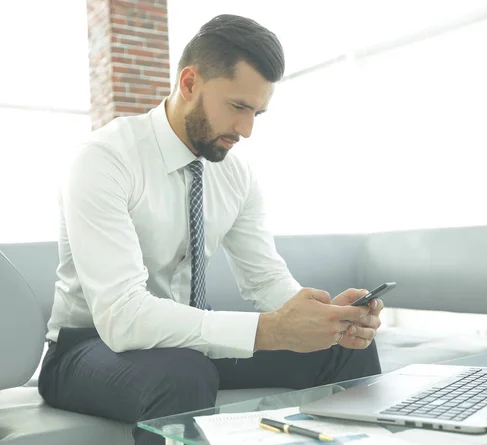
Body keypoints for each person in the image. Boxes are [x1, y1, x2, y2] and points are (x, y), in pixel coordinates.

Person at [38, 14, 383, 445]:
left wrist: (327, 319)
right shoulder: (104, 161)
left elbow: (266, 280)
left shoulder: (235, 176)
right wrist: (271, 330)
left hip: (186, 342)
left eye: (257, 112)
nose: (247, 130)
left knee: (345, 348)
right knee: (183, 373)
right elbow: (122, 317)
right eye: (238, 107)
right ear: (188, 84)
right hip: (88, 348)